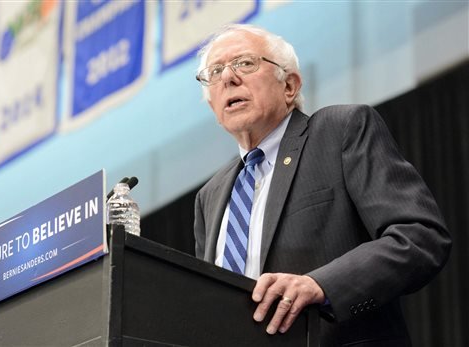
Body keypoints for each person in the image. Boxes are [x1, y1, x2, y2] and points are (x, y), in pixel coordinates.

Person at [193, 24, 451, 346]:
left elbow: (419, 237)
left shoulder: (340, 131)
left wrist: (321, 285)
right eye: (215, 72)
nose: (228, 78)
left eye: (245, 63)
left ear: (289, 85)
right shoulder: (211, 195)